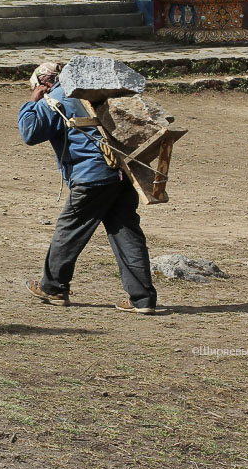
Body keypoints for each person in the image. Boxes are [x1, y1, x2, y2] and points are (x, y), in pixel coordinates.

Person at [18, 62, 159, 314]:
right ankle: (143, 299)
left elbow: (29, 133)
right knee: (126, 233)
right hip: (123, 172)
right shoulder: (97, 92)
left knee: (69, 230)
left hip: (92, 177)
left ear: (45, 83)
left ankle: (53, 287)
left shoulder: (56, 97)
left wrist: (33, 100)